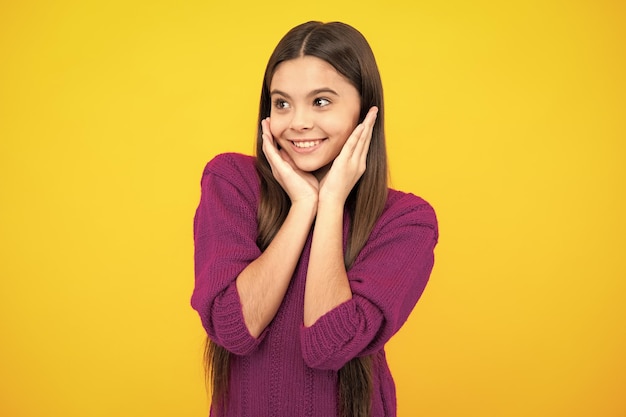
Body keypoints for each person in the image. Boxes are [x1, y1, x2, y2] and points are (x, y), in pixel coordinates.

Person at [191, 21, 438, 417]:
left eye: (321, 101)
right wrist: (304, 205)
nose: (298, 122)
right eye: (282, 103)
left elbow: (329, 347)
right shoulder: (232, 183)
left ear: (365, 110)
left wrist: (332, 202)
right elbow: (232, 327)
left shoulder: (406, 221)